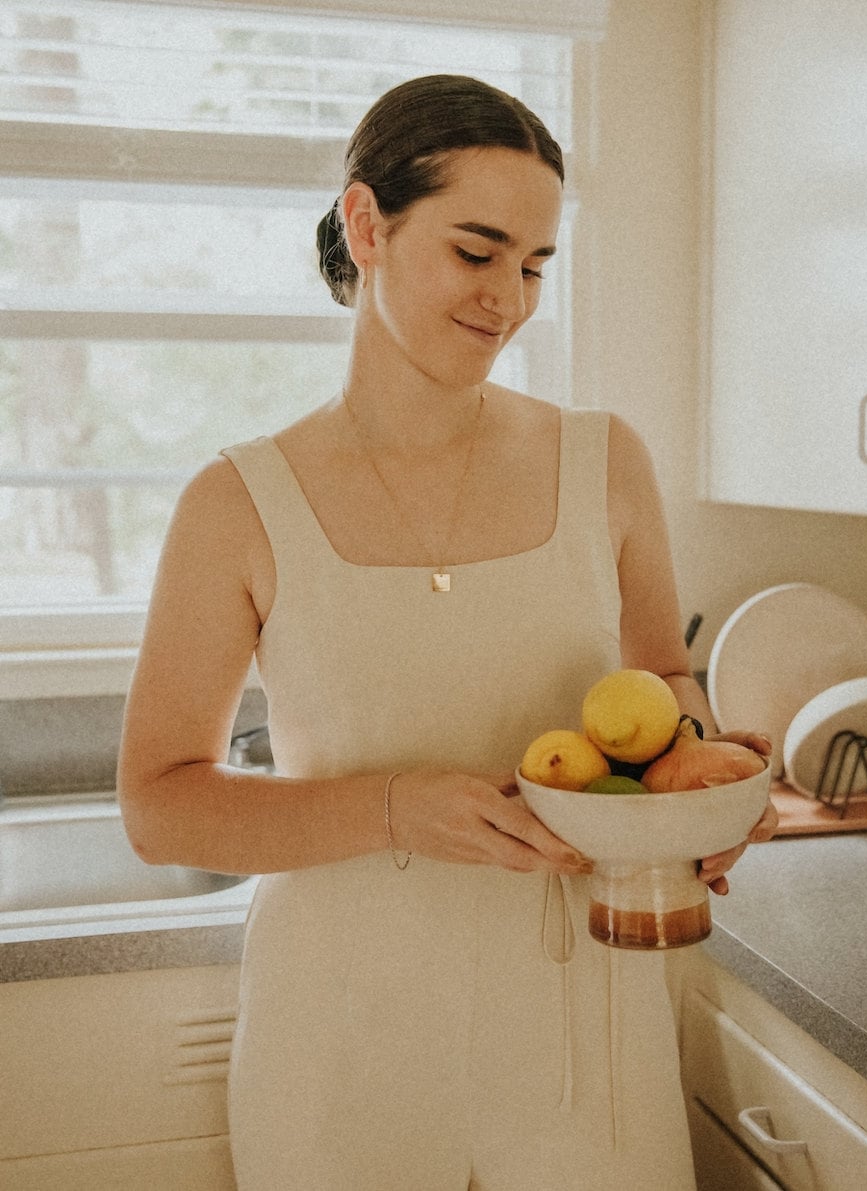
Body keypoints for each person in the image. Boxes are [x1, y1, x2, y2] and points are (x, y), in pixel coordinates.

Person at [118, 73, 777, 1190]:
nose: (509, 300)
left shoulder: (602, 459)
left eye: (533, 266)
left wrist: (696, 787)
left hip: (585, 1019)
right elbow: (159, 802)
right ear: (368, 223)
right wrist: (392, 808)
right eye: (476, 255)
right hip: (339, 1035)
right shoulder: (238, 504)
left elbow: (663, 678)